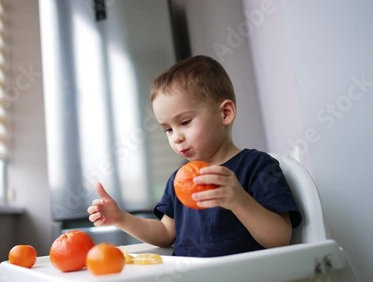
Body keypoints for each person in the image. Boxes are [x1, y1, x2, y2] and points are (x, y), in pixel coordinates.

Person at [87, 55, 302, 257]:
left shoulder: (257, 166)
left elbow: (280, 238)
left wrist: (239, 200)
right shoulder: (178, 180)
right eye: (168, 129)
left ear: (225, 113)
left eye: (185, 122)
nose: (176, 138)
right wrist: (121, 218)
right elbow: (164, 233)